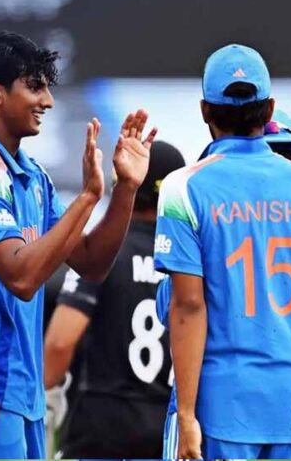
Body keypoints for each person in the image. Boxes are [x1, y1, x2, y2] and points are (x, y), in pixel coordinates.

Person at [154, 44, 291, 460]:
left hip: (221, 411)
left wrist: (185, 415)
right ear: (270, 108)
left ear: (205, 111)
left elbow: (187, 306)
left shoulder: (184, 186)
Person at [0, 31, 155, 459]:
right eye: (35, 87)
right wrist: (88, 198)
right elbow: (22, 277)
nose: (49, 101)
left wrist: (125, 190)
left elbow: (91, 263)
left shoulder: (32, 176)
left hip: (22, 394)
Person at [42, 141, 185, 458]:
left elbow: (60, 342)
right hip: (167, 431)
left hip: (102, 430)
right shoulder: (188, 263)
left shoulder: (103, 252)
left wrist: (41, 403)